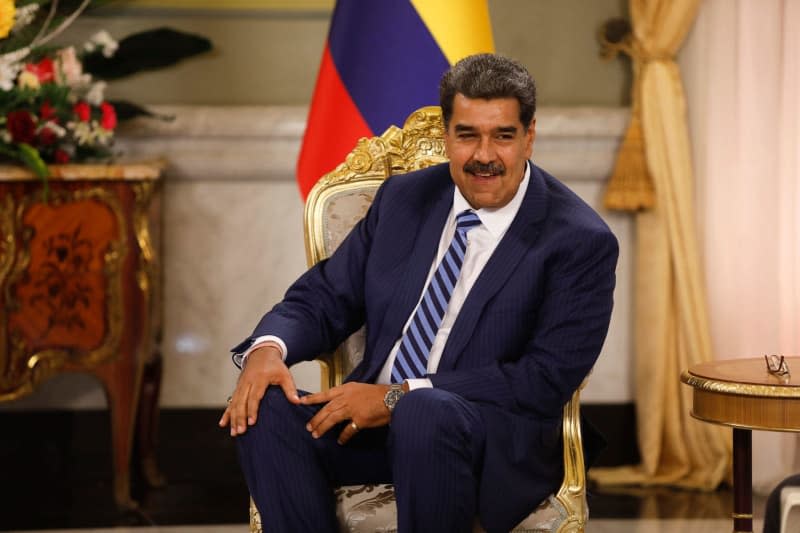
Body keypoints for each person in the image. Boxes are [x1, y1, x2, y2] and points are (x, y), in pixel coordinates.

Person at [219, 53, 618, 533]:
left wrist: (398, 397)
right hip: (366, 430)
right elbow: (324, 296)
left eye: (503, 136)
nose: (485, 155)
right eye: (468, 134)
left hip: (484, 443)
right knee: (263, 406)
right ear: (447, 136)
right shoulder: (405, 199)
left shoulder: (578, 240)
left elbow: (543, 378)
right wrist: (268, 349)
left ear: (529, 137)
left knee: (424, 412)